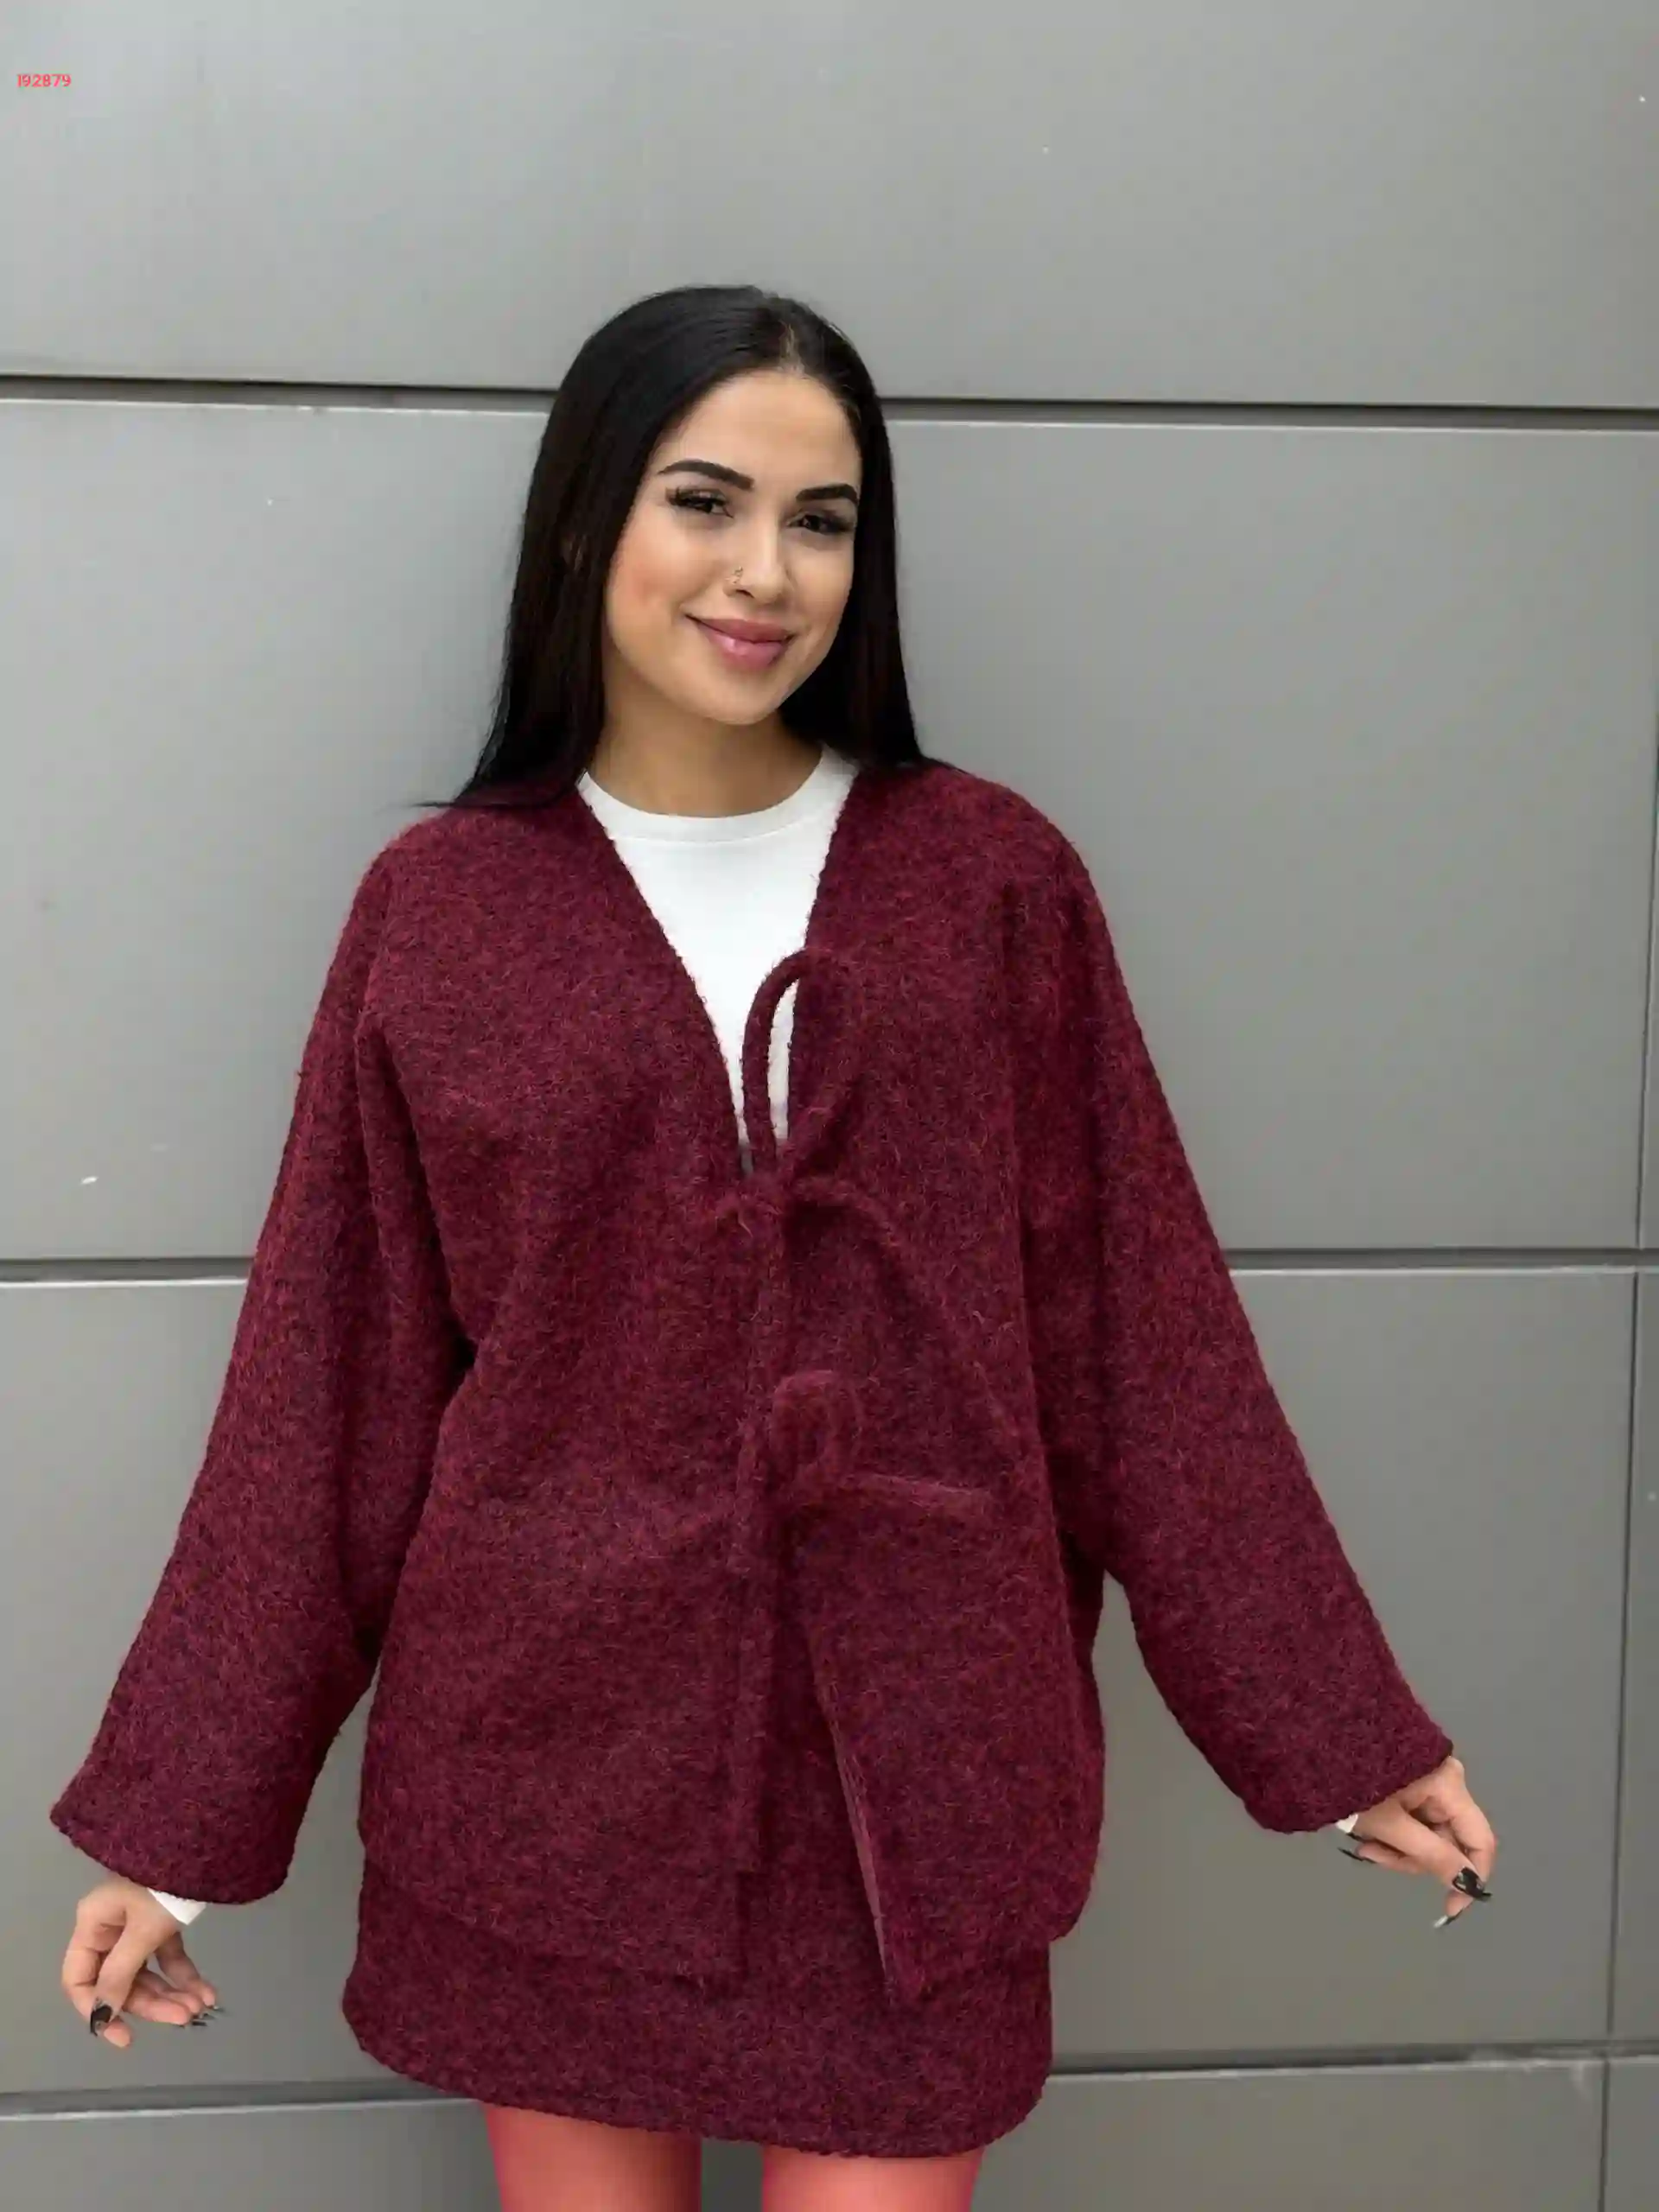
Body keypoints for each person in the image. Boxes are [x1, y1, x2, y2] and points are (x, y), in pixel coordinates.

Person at [52, 284, 1497, 2212]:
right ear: (589, 520)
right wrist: (179, 1829)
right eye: (705, 501)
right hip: (545, 1783)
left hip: (926, 1792)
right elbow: (330, 1385)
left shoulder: (990, 881)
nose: (767, 572)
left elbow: (1140, 1341)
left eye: (822, 521)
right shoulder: (446, 911)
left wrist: (1332, 1730)